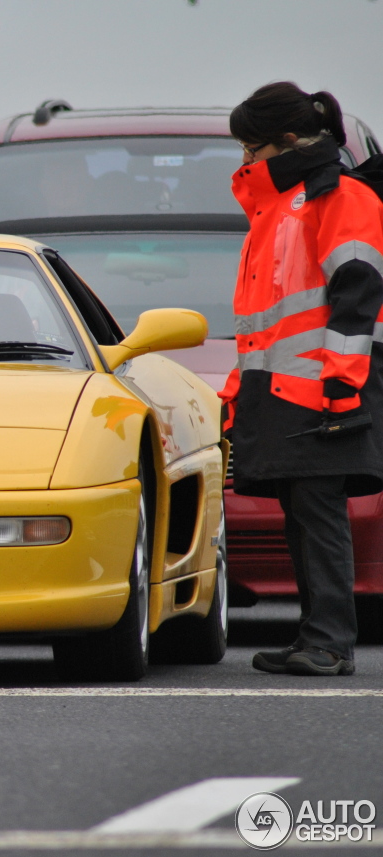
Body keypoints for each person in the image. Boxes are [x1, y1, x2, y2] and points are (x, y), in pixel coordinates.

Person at [221, 82, 383, 676]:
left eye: (251, 149)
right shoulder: (283, 205)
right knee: (302, 515)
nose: (244, 163)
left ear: (288, 141)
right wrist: (242, 389)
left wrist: (342, 384)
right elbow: (270, 317)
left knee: (318, 515)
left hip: (324, 389)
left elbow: (359, 295)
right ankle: (316, 638)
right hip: (286, 390)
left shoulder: (339, 197)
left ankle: (330, 643)